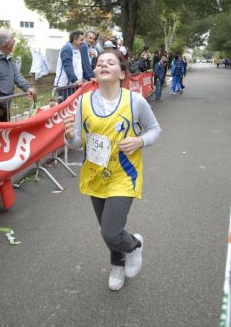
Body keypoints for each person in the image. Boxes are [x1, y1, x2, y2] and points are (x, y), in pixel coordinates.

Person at [63, 50, 161, 291]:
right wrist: (70, 136)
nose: (103, 65)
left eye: (110, 62)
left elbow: (155, 130)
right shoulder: (84, 102)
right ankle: (117, 265)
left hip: (124, 174)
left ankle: (135, 246)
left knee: (111, 231)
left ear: (122, 73)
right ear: (95, 73)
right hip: (95, 174)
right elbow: (76, 143)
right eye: (99, 63)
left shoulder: (134, 101)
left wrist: (139, 141)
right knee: (108, 229)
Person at [0, 29, 36, 121]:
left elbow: (16, 75)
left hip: (5, 106)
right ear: (6, 44)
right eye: (12, 39)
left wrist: (27, 88)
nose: (14, 41)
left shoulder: (8, 57)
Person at [54, 30, 85, 100]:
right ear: (75, 40)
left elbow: (77, 67)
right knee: (64, 109)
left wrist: (82, 78)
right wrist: (75, 80)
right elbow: (67, 66)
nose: (83, 42)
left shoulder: (77, 50)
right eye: (81, 40)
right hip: (65, 86)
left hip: (74, 86)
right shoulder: (67, 48)